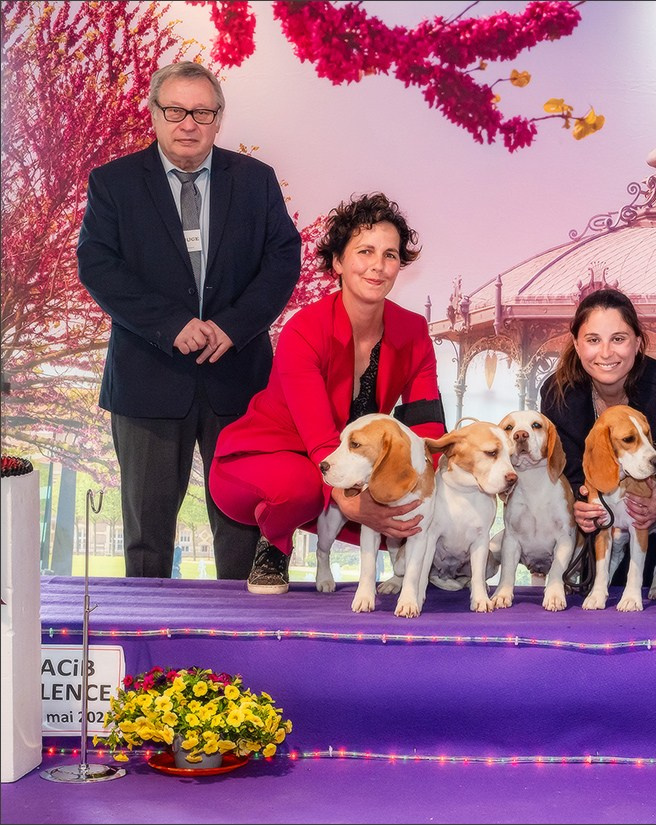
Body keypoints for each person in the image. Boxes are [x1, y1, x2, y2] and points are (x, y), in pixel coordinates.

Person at [77, 61, 302, 580]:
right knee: (146, 535)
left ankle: (242, 647)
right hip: (147, 379)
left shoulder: (254, 181)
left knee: (242, 527)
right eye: (175, 110)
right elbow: (98, 265)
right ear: (153, 112)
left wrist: (233, 325)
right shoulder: (114, 183)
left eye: (202, 112)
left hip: (239, 376)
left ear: (219, 118)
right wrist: (172, 324)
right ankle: (146, 652)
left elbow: (282, 259)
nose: (188, 123)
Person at [209, 192, 446, 595]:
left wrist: (423, 488)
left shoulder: (414, 332)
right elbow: (319, 441)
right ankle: (274, 545)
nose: (378, 265)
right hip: (266, 459)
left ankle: (410, 560)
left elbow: (425, 426)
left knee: (422, 508)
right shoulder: (303, 329)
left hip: (344, 467)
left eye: (390, 255)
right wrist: (352, 501)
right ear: (337, 261)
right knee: (300, 485)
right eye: (365, 251)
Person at [539, 288, 656, 590]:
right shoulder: (557, 394)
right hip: (585, 547)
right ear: (576, 343)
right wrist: (580, 505)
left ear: (638, 343)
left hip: (648, 540)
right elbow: (562, 472)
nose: (606, 353)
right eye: (593, 340)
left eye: (619, 339)